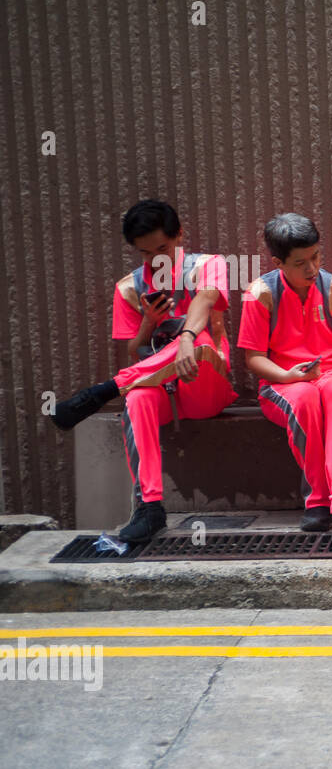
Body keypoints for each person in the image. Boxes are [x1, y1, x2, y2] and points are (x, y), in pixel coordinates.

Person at [51, 200, 237, 542]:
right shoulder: (129, 287)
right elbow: (134, 350)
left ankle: (102, 391)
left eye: (163, 248)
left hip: (206, 385)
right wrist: (148, 325)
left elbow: (205, 300)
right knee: (136, 399)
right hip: (161, 389)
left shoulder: (207, 265)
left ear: (179, 235)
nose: (156, 259)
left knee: (198, 346)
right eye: (146, 253)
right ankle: (150, 508)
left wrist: (185, 338)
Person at [238, 214, 332, 545]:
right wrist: (287, 375)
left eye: (316, 256)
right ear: (278, 262)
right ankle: (317, 499)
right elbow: (253, 358)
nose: (312, 268)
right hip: (281, 385)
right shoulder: (258, 294)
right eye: (301, 263)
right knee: (304, 399)